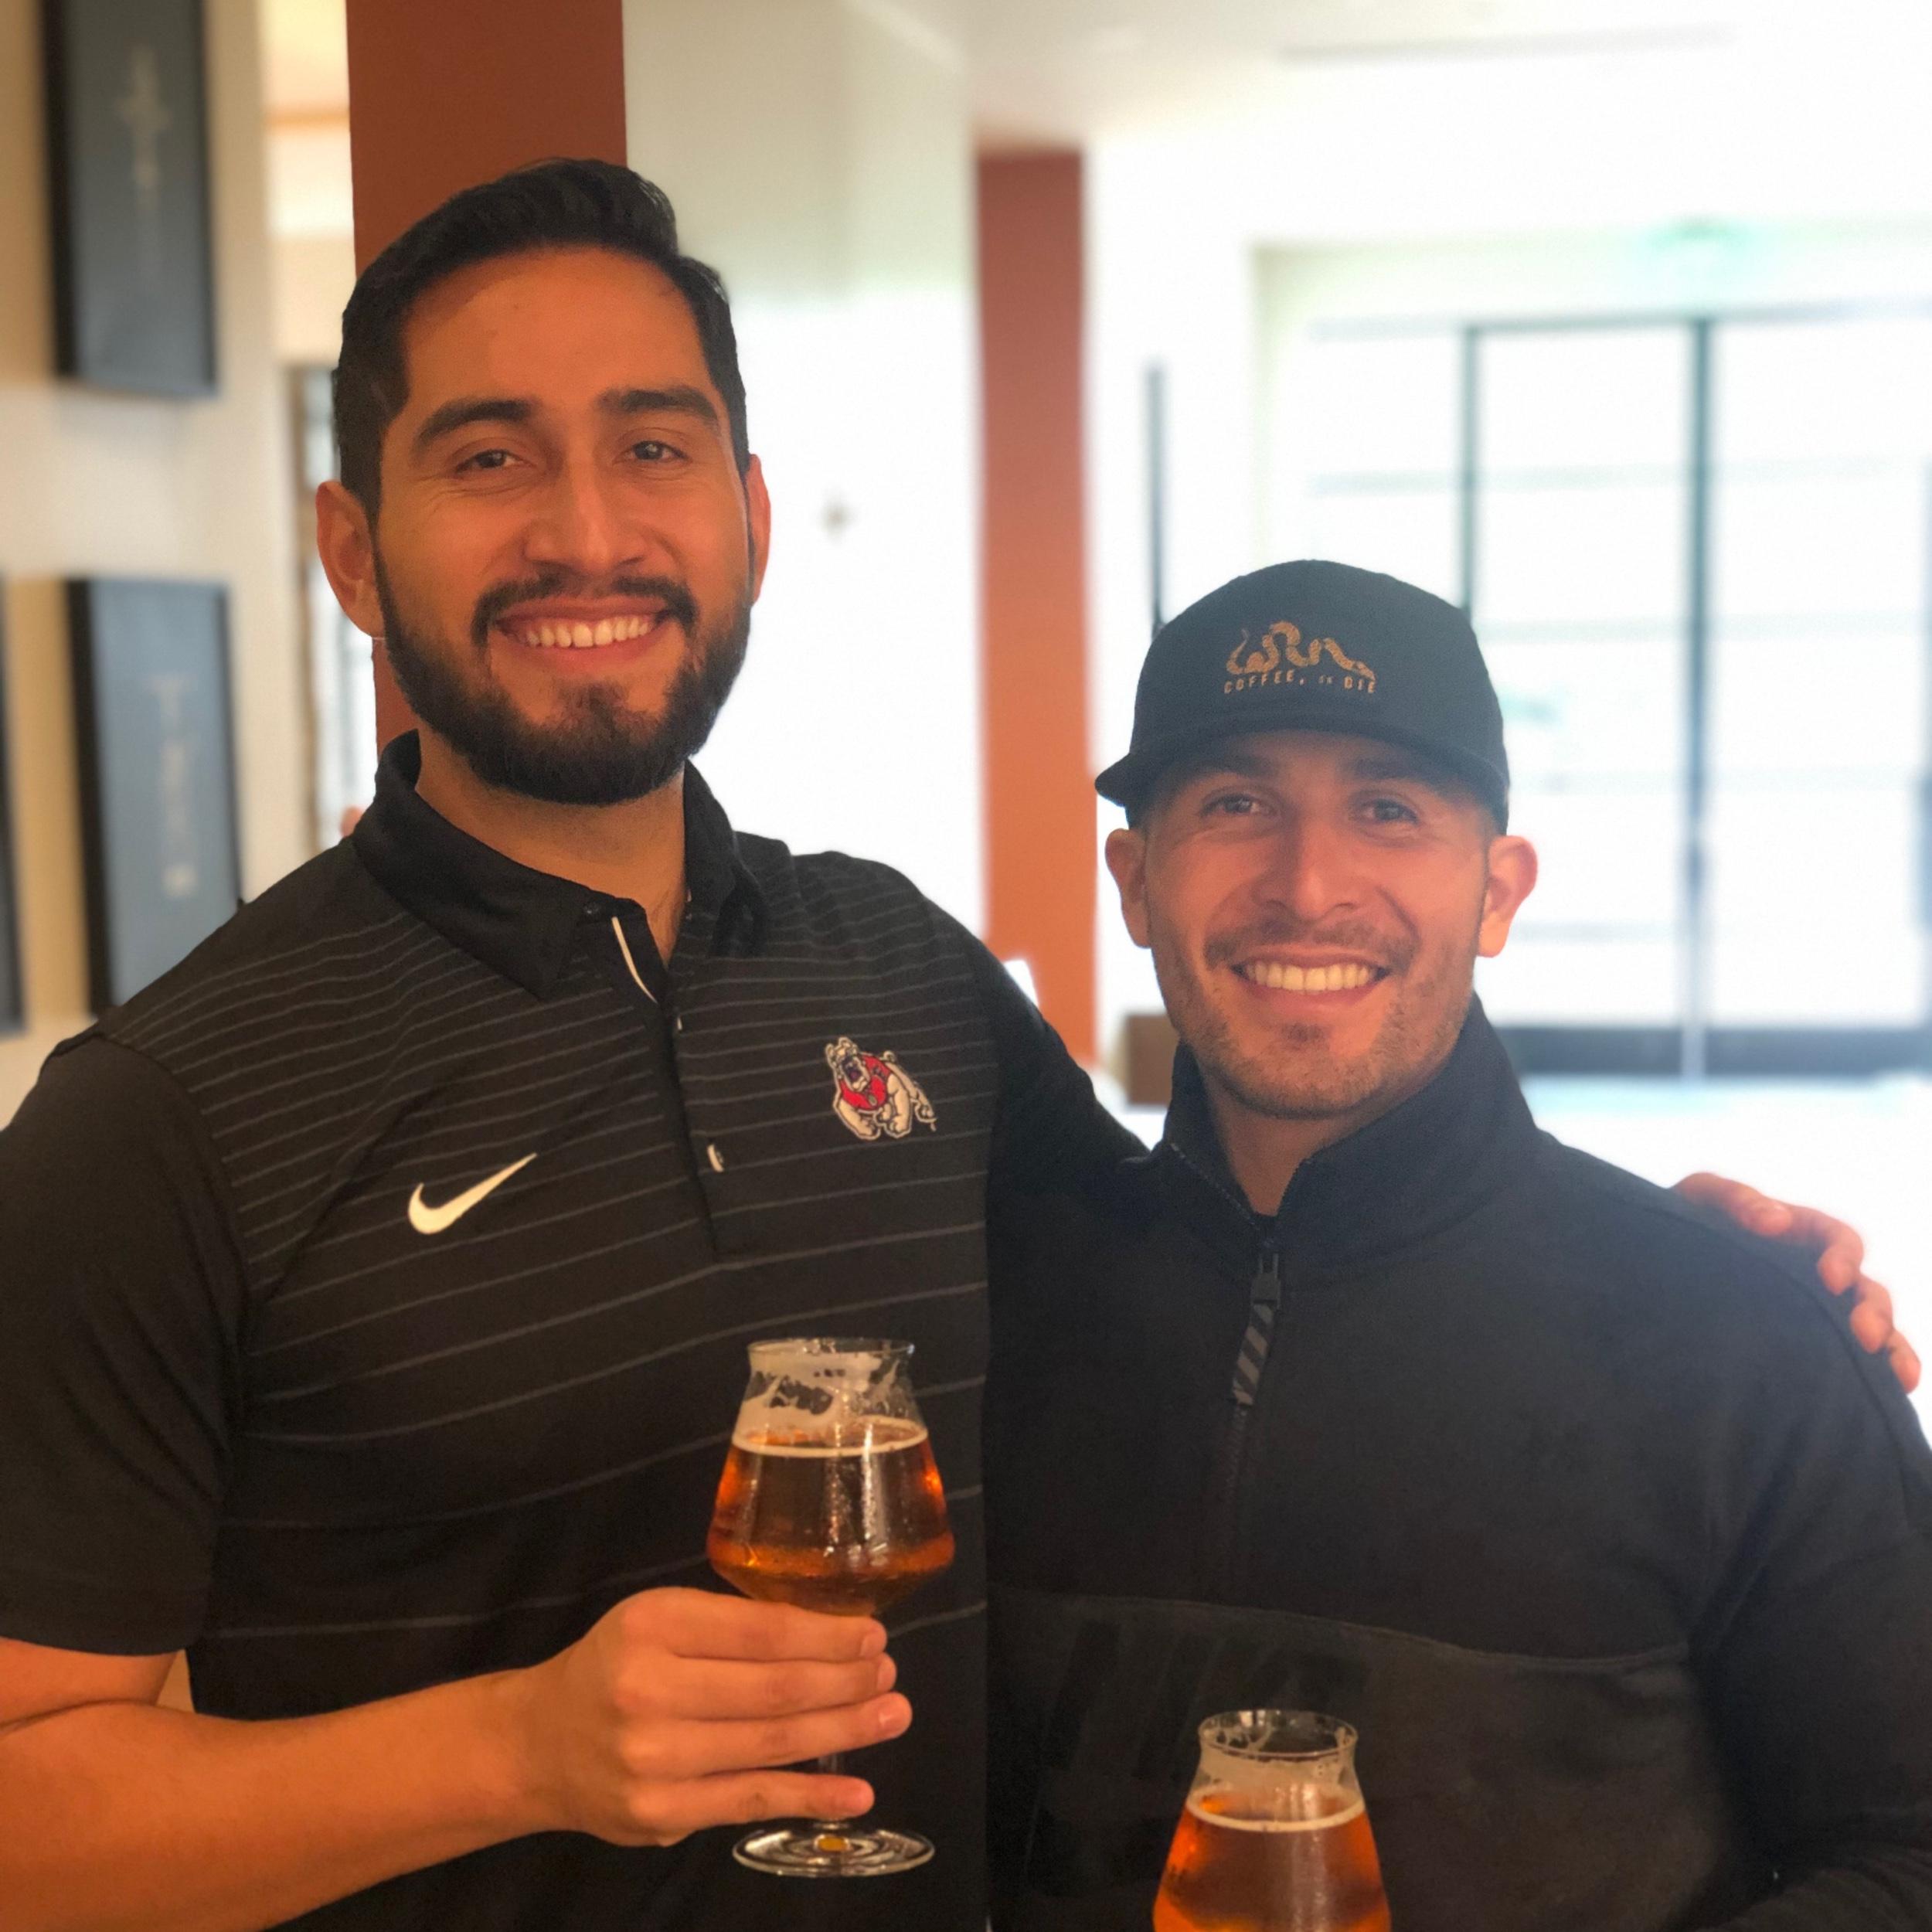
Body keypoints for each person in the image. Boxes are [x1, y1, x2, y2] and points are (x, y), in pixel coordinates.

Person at [0, 164, 1903, 1930]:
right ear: (350, 548)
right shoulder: (164, 1115)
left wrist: (1682, 1287)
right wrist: (512, 1746)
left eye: (651, 445)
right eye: (489, 456)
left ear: (747, 518)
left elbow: (1240, 1243)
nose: (585, 529)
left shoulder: (897, 972)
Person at [983, 559, 1932, 1930]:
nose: (1309, 885)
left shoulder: (1743, 1343)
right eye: (1236, 804)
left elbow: (1908, 1852)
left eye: (1389, 809)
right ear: (1134, 883)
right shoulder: (999, 1305)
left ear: (1498, 890)